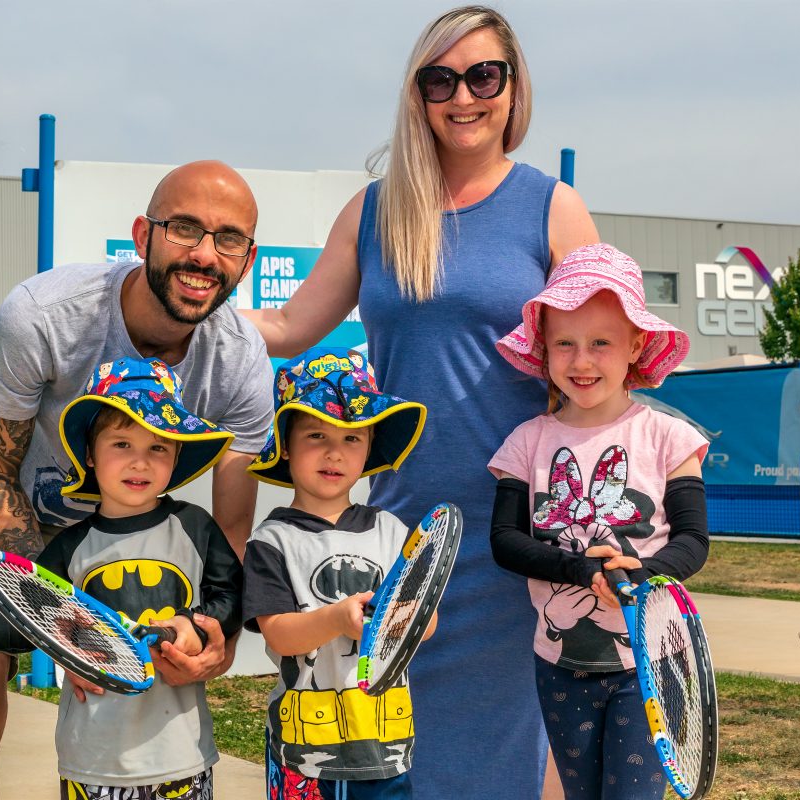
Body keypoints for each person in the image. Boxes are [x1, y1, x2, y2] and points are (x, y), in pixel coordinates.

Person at [239, 7, 600, 796]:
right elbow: (292, 324)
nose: (462, 96)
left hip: (517, 533)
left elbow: (599, 356)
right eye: (440, 78)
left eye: (483, 75)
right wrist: (186, 310)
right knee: (394, 757)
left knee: (501, 757)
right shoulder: (374, 210)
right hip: (397, 537)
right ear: (417, 93)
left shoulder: (552, 207)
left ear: (512, 86)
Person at [0, 160, 273, 798]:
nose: (204, 254)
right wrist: (62, 623)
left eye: (228, 239)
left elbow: (228, 532)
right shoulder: (44, 314)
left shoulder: (243, 361)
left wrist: (213, 632)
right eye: (184, 230)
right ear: (142, 235)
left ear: (247, 259)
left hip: (121, 521)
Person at [0, 357, 243, 798]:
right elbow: (27, 625)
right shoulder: (69, 549)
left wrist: (198, 623)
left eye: (157, 448)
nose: (140, 463)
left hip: (179, 753)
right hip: (92, 760)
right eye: (122, 445)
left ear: (176, 456)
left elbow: (231, 595)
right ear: (90, 453)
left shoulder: (195, 528)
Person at [488, 243, 709, 799]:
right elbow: (506, 542)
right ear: (544, 348)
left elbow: (693, 542)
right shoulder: (525, 442)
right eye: (565, 343)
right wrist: (580, 569)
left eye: (601, 343)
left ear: (636, 346)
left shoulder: (670, 439)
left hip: (654, 665)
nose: (581, 361)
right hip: (558, 666)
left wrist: (640, 574)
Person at [242, 347, 431, 800]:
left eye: (352, 438)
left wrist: (398, 620)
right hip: (306, 752)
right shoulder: (272, 541)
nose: (334, 452)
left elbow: (426, 621)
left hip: (385, 742)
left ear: (369, 449)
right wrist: (338, 618)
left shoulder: (392, 531)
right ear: (285, 445)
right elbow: (280, 637)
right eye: (316, 435)